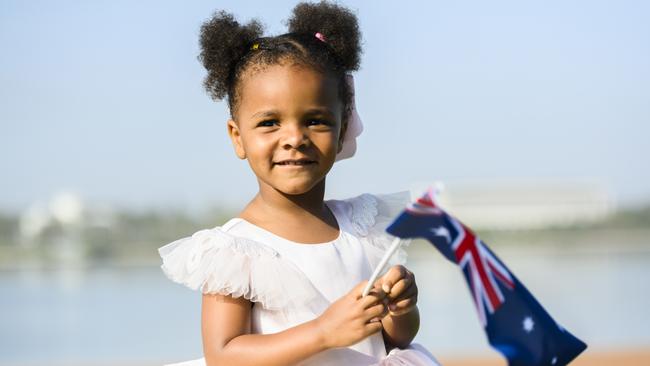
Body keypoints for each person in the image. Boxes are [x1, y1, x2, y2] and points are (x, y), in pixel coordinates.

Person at [158, 2, 439, 365]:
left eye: (316, 121)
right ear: (237, 136)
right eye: (269, 123)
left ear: (342, 131)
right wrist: (323, 331)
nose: (295, 138)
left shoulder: (363, 227)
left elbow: (391, 338)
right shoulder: (235, 252)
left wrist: (400, 310)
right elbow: (222, 354)